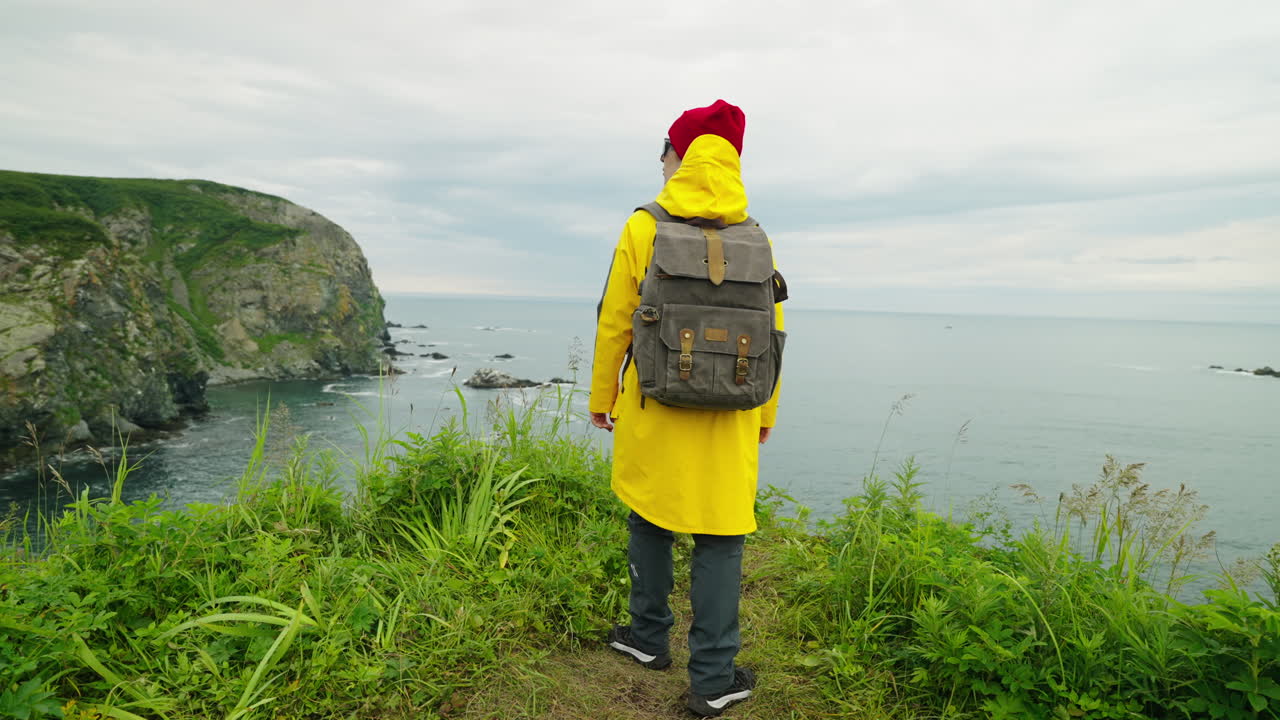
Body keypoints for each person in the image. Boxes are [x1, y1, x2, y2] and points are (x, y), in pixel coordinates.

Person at [589, 99, 783, 717]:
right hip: (732, 413)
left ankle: (648, 639)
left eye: (667, 151)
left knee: (649, 516)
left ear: (684, 155)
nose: (664, 163)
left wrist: (601, 398)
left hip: (654, 402)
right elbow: (773, 331)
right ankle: (713, 678)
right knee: (721, 539)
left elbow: (614, 321)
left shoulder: (644, 226)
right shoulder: (757, 236)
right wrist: (765, 413)